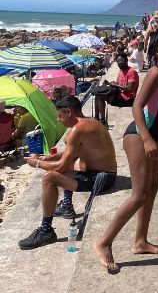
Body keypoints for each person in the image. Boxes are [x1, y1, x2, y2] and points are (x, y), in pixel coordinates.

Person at [94, 33, 158, 273]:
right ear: (157, 49)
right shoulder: (155, 72)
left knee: (151, 190)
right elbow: (137, 106)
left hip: (152, 135)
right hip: (138, 136)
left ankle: (140, 241)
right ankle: (103, 243)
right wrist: (146, 138)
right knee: (139, 194)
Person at [18, 96, 117, 250]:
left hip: (102, 178)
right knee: (70, 164)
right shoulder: (89, 123)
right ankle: (66, 205)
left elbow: (60, 167)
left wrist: (37, 163)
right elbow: (71, 154)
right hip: (103, 173)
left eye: (60, 115)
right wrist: (46, 157)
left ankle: (46, 231)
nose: (58, 119)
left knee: (49, 178)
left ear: (68, 112)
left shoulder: (78, 129)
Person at [94, 54, 139, 125]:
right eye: (118, 61)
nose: (119, 63)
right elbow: (118, 84)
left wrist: (116, 84)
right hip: (120, 95)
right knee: (97, 93)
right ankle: (96, 118)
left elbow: (129, 88)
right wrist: (109, 83)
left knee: (101, 96)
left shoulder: (131, 72)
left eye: (121, 61)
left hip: (127, 99)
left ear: (126, 61)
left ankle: (102, 122)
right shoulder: (121, 71)